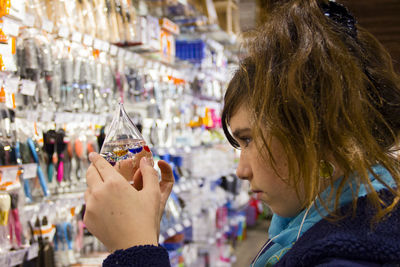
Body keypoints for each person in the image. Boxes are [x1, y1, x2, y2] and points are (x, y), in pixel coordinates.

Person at [84, 0, 400, 266]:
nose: (241, 170)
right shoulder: (330, 224)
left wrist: (135, 249)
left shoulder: (349, 255)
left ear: (317, 131)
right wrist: (145, 230)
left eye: (248, 139)